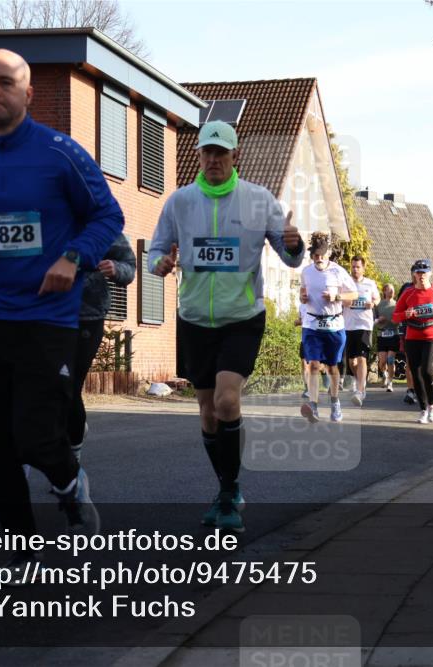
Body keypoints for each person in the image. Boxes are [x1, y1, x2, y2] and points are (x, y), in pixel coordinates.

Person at [0, 49, 124, 568]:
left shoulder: (62, 153)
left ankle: (69, 485)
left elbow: (108, 215)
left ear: (27, 93)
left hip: (46, 317)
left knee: (36, 436)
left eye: (5, 83)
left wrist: (73, 257)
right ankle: (23, 545)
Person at [150, 119, 304, 533]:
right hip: (195, 318)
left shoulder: (258, 200)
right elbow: (157, 249)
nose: (214, 159)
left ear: (237, 156)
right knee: (206, 412)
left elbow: (290, 257)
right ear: (198, 155)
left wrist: (294, 243)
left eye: (222, 152)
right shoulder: (180, 202)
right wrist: (160, 262)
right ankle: (224, 487)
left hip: (242, 318)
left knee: (226, 400)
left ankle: (230, 490)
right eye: (207, 152)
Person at [68, 233, 136, 462]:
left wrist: (116, 268)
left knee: (68, 388)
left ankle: (72, 460)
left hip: (86, 314)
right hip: (37, 311)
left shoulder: (96, 220)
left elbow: (129, 266)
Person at [299, 233, 357, 424]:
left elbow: (354, 295)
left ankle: (334, 402)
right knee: (314, 365)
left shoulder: (338, 271)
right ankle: (314, 406)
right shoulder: (306, 272)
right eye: (316, 255)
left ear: (328, 253)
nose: (319, 258)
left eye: (322, 254)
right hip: (312, 325)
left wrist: (337, 297)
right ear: (312, 255)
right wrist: (303, 298)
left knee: (332, 367)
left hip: (334, 325)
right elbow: (302, 292)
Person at [392, 260, 433, 424]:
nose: (421, 276)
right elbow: (395, 316)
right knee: (416, 373)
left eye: (424, 272)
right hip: (412, 336)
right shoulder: (408, 293)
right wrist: (406, 314)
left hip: (432, 335)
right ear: (414, 274)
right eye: (418, 272)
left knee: (427, 370)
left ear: (430, 273)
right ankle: (423, 409)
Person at [344, 255, 379, 406]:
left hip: (365, 325)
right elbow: (341, 300)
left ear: (363, 268)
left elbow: (377, 298)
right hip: (349, 325)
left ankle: (360, 390)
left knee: (362, 358)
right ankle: (358, 380)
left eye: (358, 267)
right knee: (352, 361)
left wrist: (372, 303)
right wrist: (346, 301)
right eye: (353, 266)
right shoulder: (346, 284)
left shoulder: (370, 284)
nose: (355, 269)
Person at [373, 283, 398, 391]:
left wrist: (395, 321)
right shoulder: (379, 305)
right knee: (382, 361)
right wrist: (379, 320)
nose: (391, 292)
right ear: (384, 291)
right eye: (389, 290)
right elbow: (374, 320)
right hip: (382, 334)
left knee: (391, 359)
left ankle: (390, 383)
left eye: (392, 290)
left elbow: (399, 319)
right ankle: (384, 374)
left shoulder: (397, 304)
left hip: (393, 333)